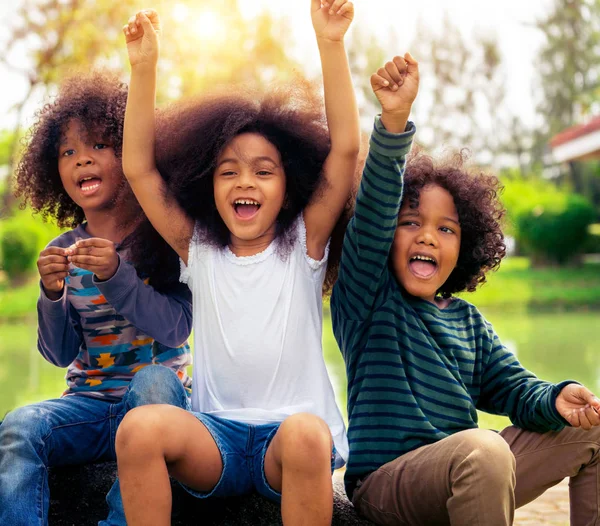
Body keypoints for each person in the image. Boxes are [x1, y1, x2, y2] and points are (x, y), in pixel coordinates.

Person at [115, 1, 360, 524]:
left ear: (288, 185)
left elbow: (344, 151)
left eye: (263, 171)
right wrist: (143, 69)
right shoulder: (197, 250)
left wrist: (331, 45)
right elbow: (138, 168)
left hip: (289, 445)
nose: (245, 182)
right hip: (215, 443)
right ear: (209, 186)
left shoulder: (303, 244)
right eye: (229, 171)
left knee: (304, 433)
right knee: (138, 429)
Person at [330, 53, 600, 526]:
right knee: (484, 448)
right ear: (386, 237)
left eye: (447, 229)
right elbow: (373, 212)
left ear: (466, 246)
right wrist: (394, 124)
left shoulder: (469, 322)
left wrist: (557, 397)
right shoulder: (367, 299)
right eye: (410, 223)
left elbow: (514, 388)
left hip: (471, 471)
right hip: (387, 485)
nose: (428, 236)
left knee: (593, 431)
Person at [0, 71, 193, 526]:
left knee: (152, 381)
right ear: (54, 171)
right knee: (19, 426)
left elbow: (176, 327)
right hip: (87, 406)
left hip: (157, 405)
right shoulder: (62, 248)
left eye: (99, 146)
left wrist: (117, 275)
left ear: (131, 152)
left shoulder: (164, 238)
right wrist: (51, 295)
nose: (82, 160)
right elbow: (59, 353)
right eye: (68, 152)